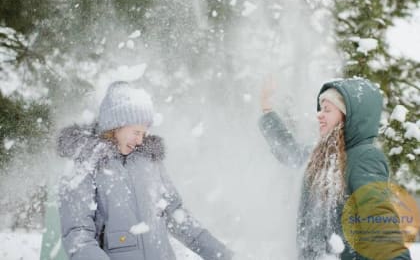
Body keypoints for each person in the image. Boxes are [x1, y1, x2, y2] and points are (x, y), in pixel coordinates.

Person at [58, 81, 233, 260]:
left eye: (144, 133)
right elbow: (77, 233)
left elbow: (176, 214)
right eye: (136, 132)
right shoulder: (87, 163)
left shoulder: (148, 161)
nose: (140, 140)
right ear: (116, 127)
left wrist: (221, 254)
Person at [259, 76, 412, 260]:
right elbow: (290, 151)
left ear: (348, 117)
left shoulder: (364, 157)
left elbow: (377, 218)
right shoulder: (321, 156)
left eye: (327, 110)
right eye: (320, 109)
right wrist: (267, 108)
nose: (319, 114)